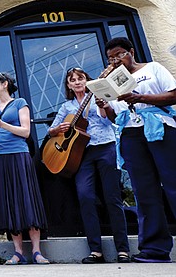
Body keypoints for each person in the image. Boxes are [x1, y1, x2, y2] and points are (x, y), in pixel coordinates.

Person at [96, 37, 176, 263]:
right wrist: (107, 107)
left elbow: (174, 94)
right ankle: (154, 250)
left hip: (160, 128)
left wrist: (141, 97)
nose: (116, 60)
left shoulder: (153, 68)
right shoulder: (114, 82)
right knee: (144, 192)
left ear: (131, 51)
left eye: (120, 54)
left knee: (173, 183)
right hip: (131, 133)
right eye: (111, 58)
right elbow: (115, 117)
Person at [48, 67, 130, 263]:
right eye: (72, 80)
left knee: (112, 197)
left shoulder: (98, 97)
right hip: (80, 154)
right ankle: (96, 250)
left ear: (87, 81)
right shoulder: (66, 107)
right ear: (68, 85)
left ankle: (123, 250)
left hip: (104, 147)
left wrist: (103, 106)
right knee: (85, 197)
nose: (77, 82)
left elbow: (108, 120)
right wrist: (59, 128)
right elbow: (51, 131)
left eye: (80, 78)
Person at [0, 73, 49, 265]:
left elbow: (25, 132)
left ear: (5, 84)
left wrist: (2, 124)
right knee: (9, 200)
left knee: (27, 198)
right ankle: (18, 252)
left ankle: (36, 251)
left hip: (19, 154)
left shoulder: (20, 103)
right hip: (0, 157)